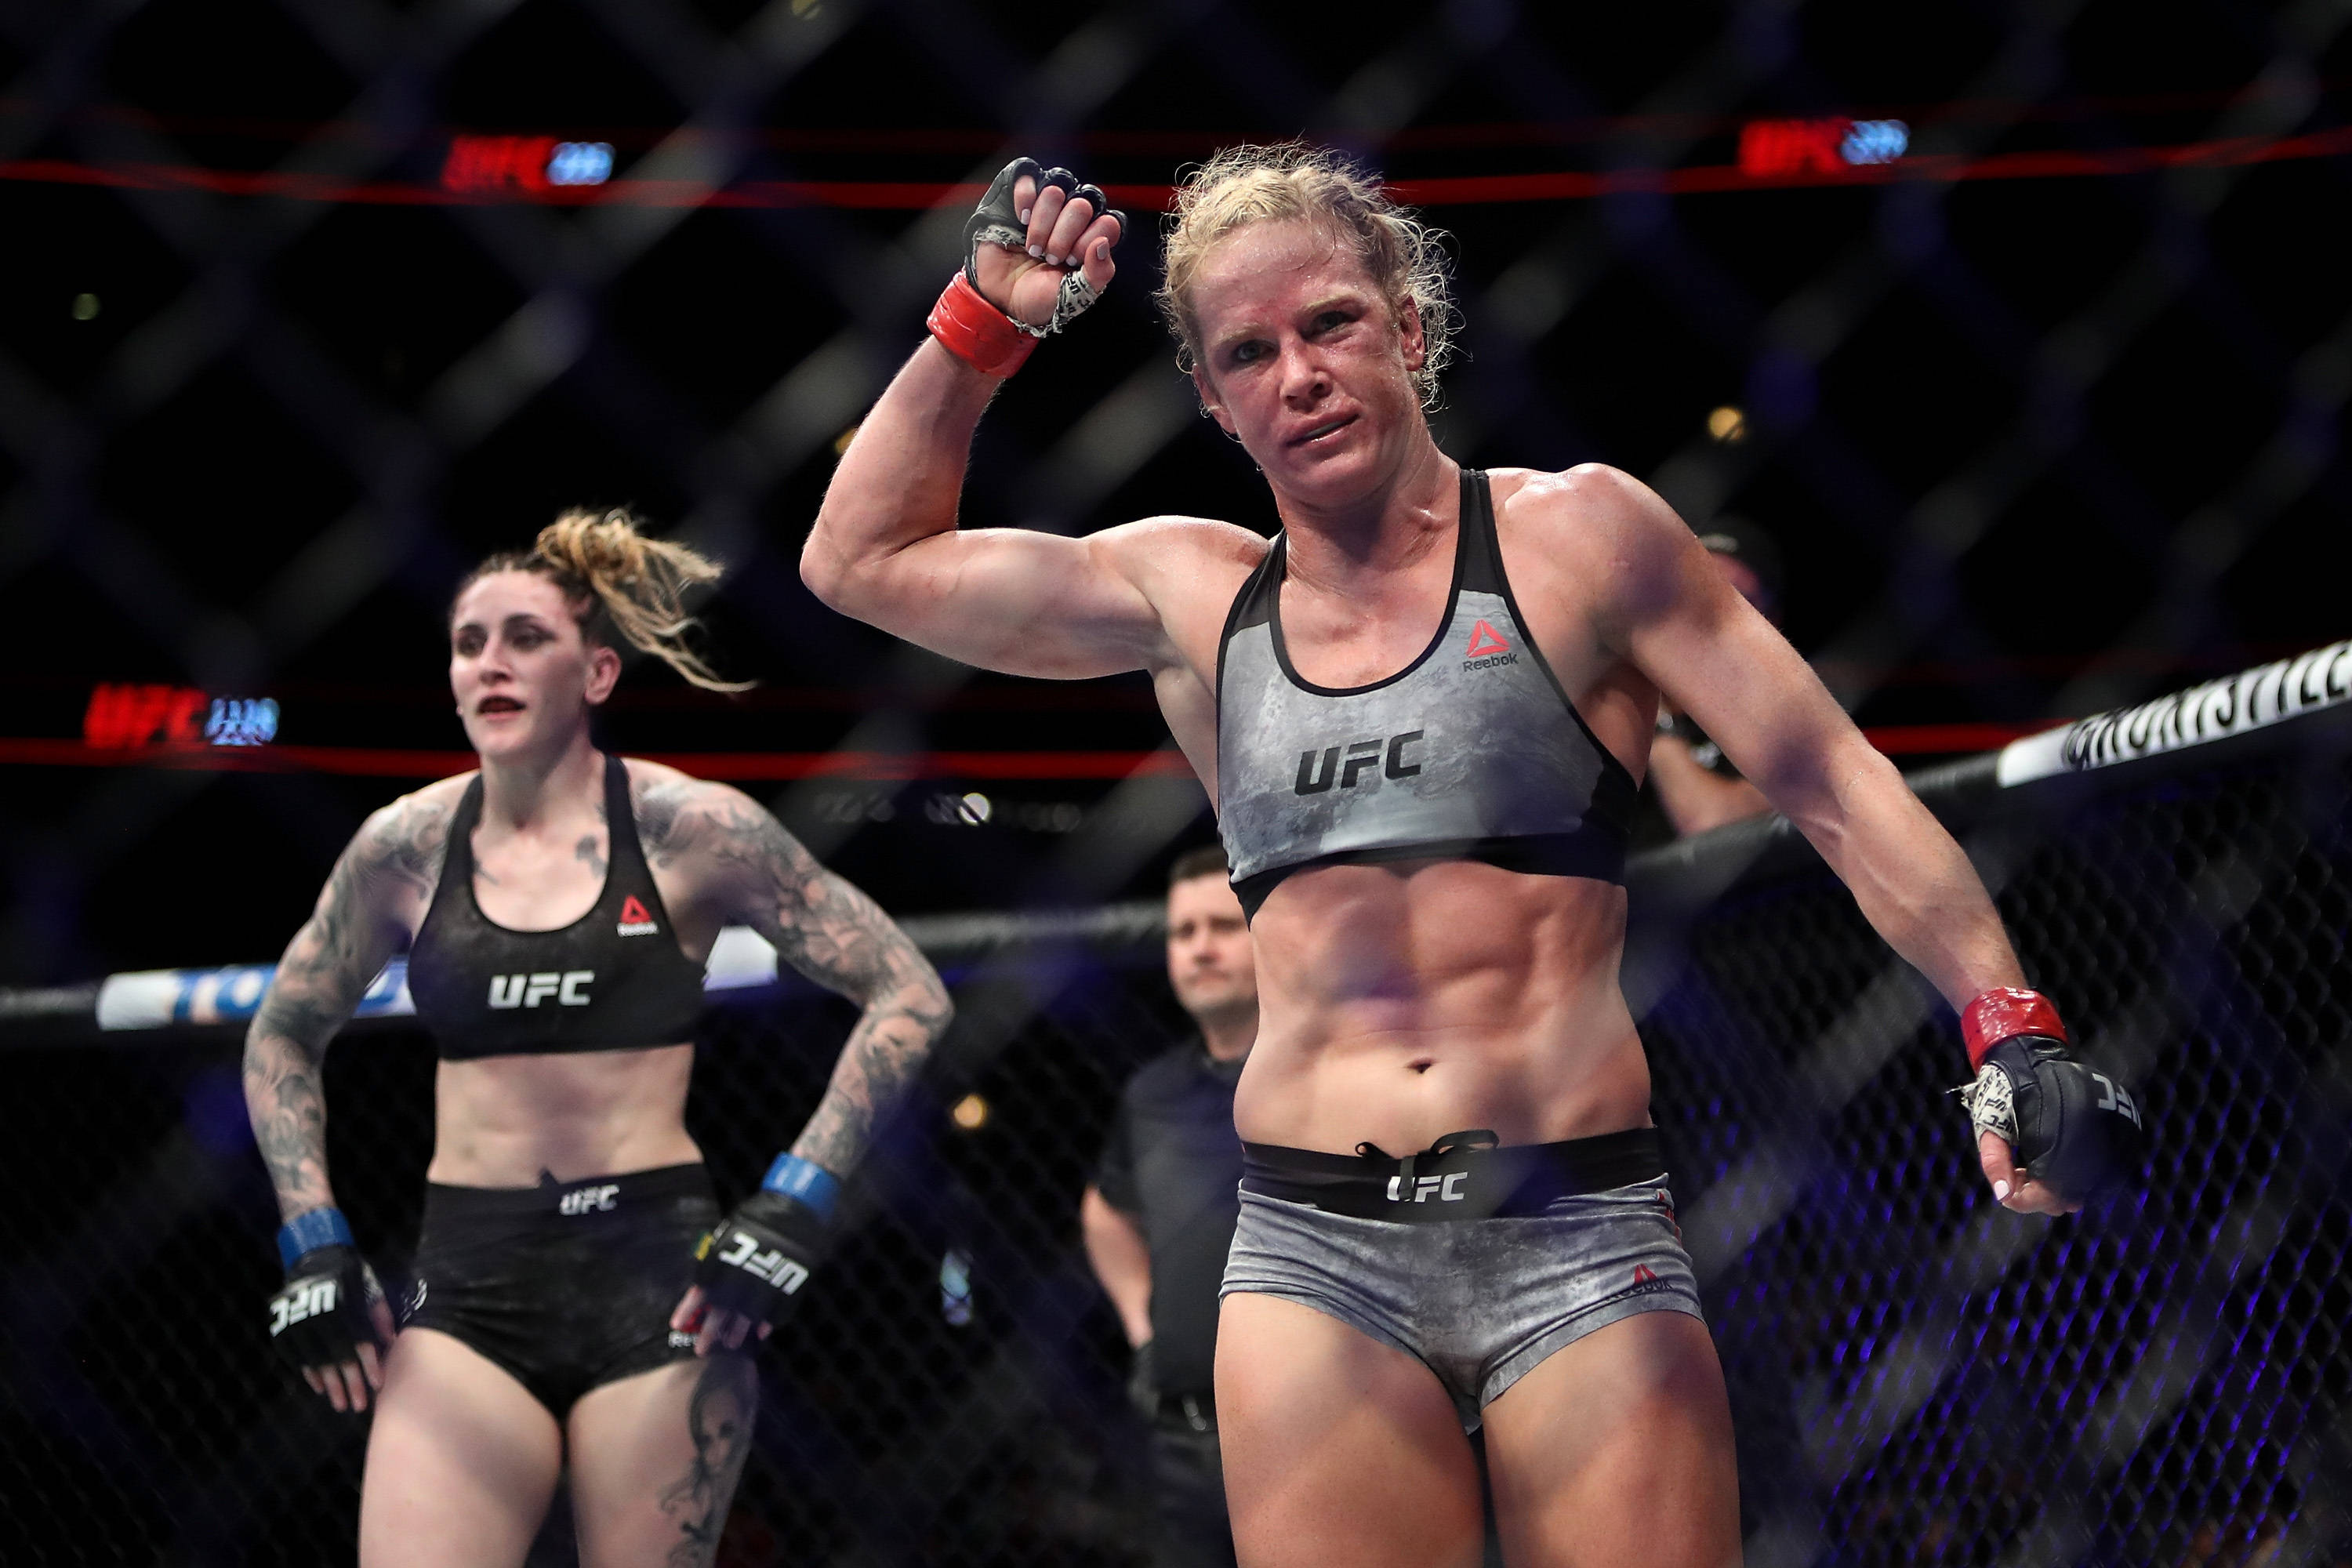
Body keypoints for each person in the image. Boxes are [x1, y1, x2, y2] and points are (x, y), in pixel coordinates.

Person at [800, 147, 2141, 1567]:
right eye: (1249, 352)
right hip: (1311, 1253)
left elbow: (1833, 782)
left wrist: (2008, 1023)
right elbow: (858, 562)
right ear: (1210, 398)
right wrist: (981, 323)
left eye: (1330, 324)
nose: (1299, 375)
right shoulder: (1187, 594)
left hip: (1576, 1228)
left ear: (1409, 326)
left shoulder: (1581, 539)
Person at [241, 510, 953, 1568]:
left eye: (526, 637)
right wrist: (313, 1239)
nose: (491, 662)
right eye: (469, 642)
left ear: (599, 672)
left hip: (657, 1283)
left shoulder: (687, 828)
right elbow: (283, 1029)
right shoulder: (404, 846)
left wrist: (795, 1201)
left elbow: (906, 991)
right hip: (468, 1284)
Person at [1082, 844, 1259, 1568]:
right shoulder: (1152, 1093)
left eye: (1223, 926)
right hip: (1185, 1437)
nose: (1200, 948)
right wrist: (1142, 1329)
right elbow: (1105, 1210)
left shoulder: (1321, 1076)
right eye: (1184, 932)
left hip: (1321, 1429)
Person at [1646, 519, 1781, 837]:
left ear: (1771, 621)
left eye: (1733, 600)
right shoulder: (1606, 691)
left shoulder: (1789, 720)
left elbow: (1712, 822)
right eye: (1693, 591)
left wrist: (1653, 718)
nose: (1704, 614)